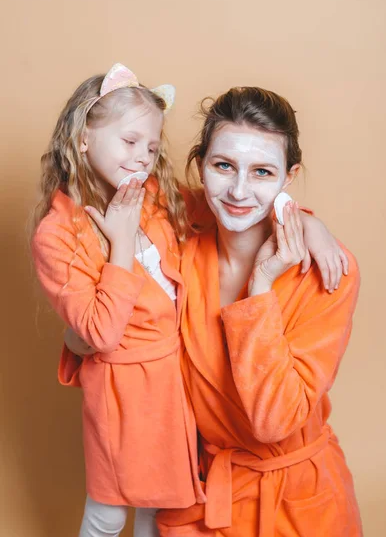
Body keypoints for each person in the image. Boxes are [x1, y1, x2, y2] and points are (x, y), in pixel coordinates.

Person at [157, 86, 362, 536]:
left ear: (290, 177)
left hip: (298, 507)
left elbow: (275, 420)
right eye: (223, 165)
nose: (239, 190)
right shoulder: (175, 241)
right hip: (201, 498)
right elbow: (97, 183)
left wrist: (261, 287)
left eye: (263, 172)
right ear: (200, 166)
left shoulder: (328, 272)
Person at [31, 63, 205, 537]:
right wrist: (122, 245)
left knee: (159, 510)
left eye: (150, 147)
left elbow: (232, 206)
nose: (142, 158)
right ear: (83, 138)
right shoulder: (57, 234)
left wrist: (305, 221)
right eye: (129, 142)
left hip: (174, 383)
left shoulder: (153, 196)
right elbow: (100, 332)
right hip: (123, 394)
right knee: (109, 512)